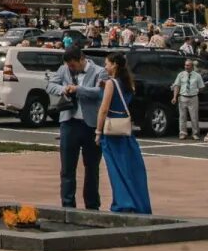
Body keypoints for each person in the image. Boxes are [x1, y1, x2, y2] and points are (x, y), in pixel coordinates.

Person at [45, 46, 106, 210]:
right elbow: (50, 85)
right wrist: (63, 89)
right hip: (69, 122)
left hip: (91, 125)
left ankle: (92, 206)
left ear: (81, 59)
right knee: (67, 169)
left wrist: (79, 89)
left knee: (92, 168)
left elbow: (100, 93)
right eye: (68, 66)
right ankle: (67, 205)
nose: (71, 69)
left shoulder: (99, 71)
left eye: (73, 65)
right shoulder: (63, 69)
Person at [96, 52, 152, 214]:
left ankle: (123, 202)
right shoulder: (128, 83)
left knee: (116, 170)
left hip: (112, 132)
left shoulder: (111, 83)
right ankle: (137, 201)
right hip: (126, 133)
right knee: (131, 169)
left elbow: (104, 109)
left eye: (107, 63)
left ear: (114, 65)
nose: (105, 67)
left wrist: (98, 131)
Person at [171, 56, 204, 140]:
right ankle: (183, 133)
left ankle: (195, 133)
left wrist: (196, 91)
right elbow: (177, 86)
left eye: (188, 65)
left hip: (193, 97)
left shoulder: (197, 76)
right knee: (182, 117)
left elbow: (201, 87)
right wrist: (175, 97)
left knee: (194, 117)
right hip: (183, 97)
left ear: (192, 66)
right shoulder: (181, 75)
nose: (186, 67)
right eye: (185, 65)